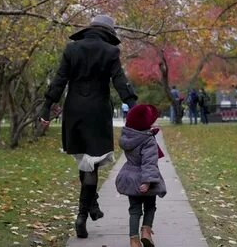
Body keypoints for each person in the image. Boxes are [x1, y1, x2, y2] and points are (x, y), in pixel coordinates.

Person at [38, 15, 138, 238]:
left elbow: (60, 79)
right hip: (97, 112)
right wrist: (133, 105)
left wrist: (46, 106)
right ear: (108, 34)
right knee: (91, 163)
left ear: (90, 29)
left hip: (74, 111)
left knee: (86, 161)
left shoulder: (72, 49)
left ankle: (91, 204)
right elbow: (119, 81)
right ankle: (83, 215)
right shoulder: (111, 52)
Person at [115, 104, 167, 247]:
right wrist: (148, 181)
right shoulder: (147, 140)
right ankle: (146, 232)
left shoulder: (128, 137)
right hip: (145, 179)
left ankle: (134, 240)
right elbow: (149, 163)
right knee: (150, 206)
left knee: (134, 210)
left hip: (130, 177)